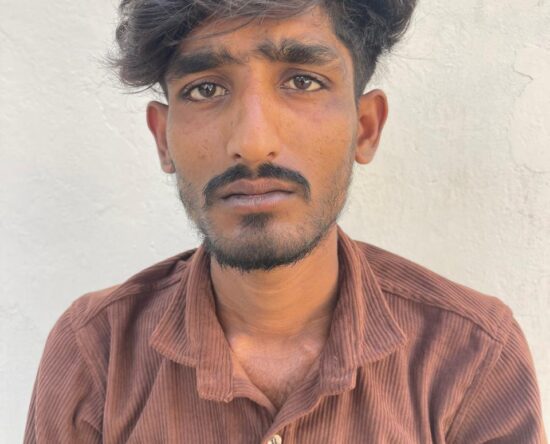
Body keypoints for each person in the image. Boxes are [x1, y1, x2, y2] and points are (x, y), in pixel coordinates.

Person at [24, 1, 546, 443]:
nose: (253, 143)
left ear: (365, 128)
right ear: (163, 139)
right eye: (206, 89)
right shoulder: (96, 350)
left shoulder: (472, 355)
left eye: (302, 81)